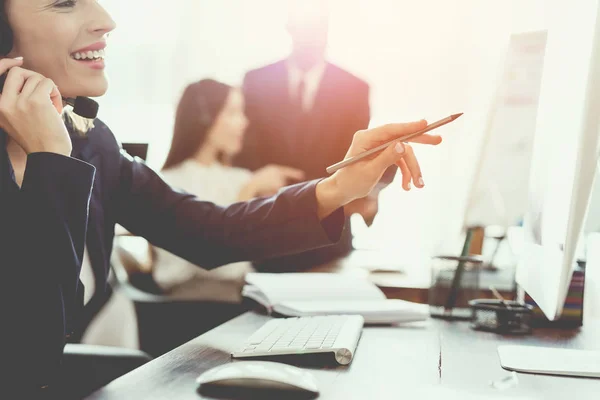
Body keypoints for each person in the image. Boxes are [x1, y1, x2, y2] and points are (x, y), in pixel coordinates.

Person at [0, 0, 441, 397]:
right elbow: (28, 357)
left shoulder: (90, 142)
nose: (106, 20)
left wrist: (338, 189)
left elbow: (208, 230)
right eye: (63, 3)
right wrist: (49, 161)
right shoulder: (60, 153)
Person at [234, 2, 404, 269]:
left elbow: (357, 157)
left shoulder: (354, 88)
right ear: (289, 29)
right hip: (267, 229)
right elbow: (241, 150)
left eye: (317, 29)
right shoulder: (256, 81)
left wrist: (369, 192)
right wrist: (258, 181)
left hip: (330, 237)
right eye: (303, 28)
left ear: (327, 32)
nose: (310, 38)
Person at [154, 79, 305, 301]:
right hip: (193, 305)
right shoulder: (168, 182)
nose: (244, 122)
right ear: (205, 118)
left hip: (241, 293)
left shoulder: (238, 178)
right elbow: (217, 263)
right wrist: (250, 189)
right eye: (233, 113)